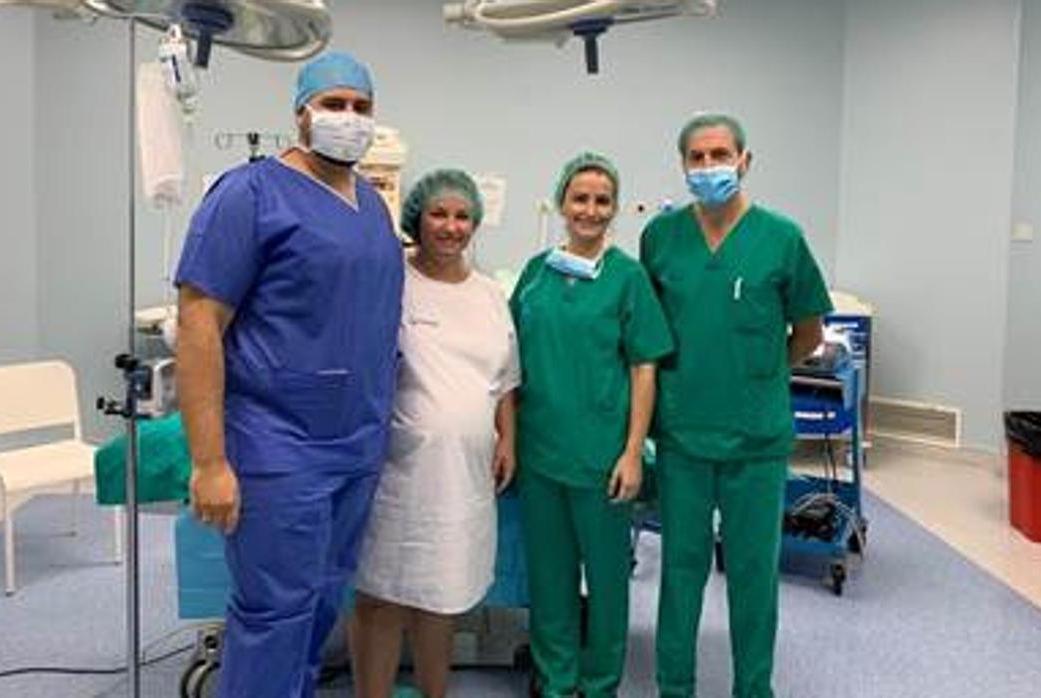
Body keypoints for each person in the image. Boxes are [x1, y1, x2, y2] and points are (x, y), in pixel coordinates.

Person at [174, 51, 404, 698]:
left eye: (361, 108)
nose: (348, 119)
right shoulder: (248, 195)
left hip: (355, 442)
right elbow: (197, 325)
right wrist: (210, 462)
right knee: (274, 613)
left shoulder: (372, 205)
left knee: (322, 603)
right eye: (334, 105)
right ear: (300, 113)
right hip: (278, 446)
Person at [640, 112, 832, 698]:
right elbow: (647, 334)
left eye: (719, 155)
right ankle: (675, 686)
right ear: (683, 166)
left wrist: (758, 376)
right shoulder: (661, 239)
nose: (708, 167)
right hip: (683, 435)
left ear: (745, 161)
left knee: (752, 575)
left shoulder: (781, 238)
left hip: (756, 442)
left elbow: (808, 334)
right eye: (696, 158)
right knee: (680, 571)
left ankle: (754, 687)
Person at [348, 169, 520, 698]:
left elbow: (504, 379)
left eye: (462, 215)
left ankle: (433, 693)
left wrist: (507, 438)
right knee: (381, 595)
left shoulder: (489, 295)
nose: (451, 226)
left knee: (443, 596)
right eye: (439, 214)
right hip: (396, 471)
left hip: (464, 476)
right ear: (416, 219)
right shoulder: (391, 278)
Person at [511, 151, 674, 698]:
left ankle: (600, 682)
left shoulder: (627, 277)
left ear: (615, 209)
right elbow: (511, 358)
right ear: (562, 202)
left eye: (602, 200)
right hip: (540, 453)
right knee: (550, 579)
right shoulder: (536, 274)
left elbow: (644, 365)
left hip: (602, 457)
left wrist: (633, 451)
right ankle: (557, 680)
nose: (590, 209)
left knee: (606, 582)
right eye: (580, 198)